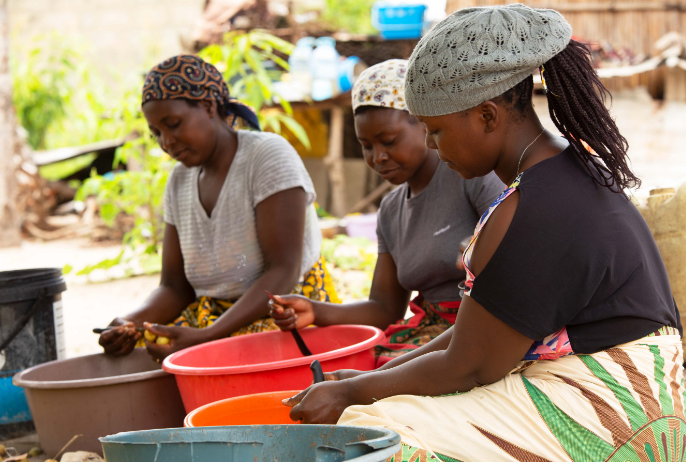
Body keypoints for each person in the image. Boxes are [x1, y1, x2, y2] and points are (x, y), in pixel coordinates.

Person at [281, 6, 684, 461]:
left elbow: (471, 366)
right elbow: (471, 337)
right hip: (621, 385)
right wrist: (365, 380)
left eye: (436, 130)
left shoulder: (537, 207)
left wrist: (352, 395)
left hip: (617, 406)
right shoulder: (559, 174)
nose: (431, 144)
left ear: (487, 116)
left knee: (372, 434)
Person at [98, 55, 337, 361]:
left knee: (216, 362)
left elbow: (283, 270)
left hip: (284, 311)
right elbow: (174, 287)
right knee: (143, 353)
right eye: (156, 133)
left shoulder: (265, 156)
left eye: (173, 125)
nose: (166, 142)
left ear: (209, 107)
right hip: (213, 317)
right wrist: (129, 323)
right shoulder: (179, 181)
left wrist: (208, 336)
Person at [270, 60, 503, 366]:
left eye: (389, 141)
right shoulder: (391, 212)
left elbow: (515, 249)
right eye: (366, 146)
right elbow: (384, 307)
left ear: (423, 123)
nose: (378, 157)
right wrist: (315, 311)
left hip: (484, 327)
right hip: (431, 331)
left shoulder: (469, 175)